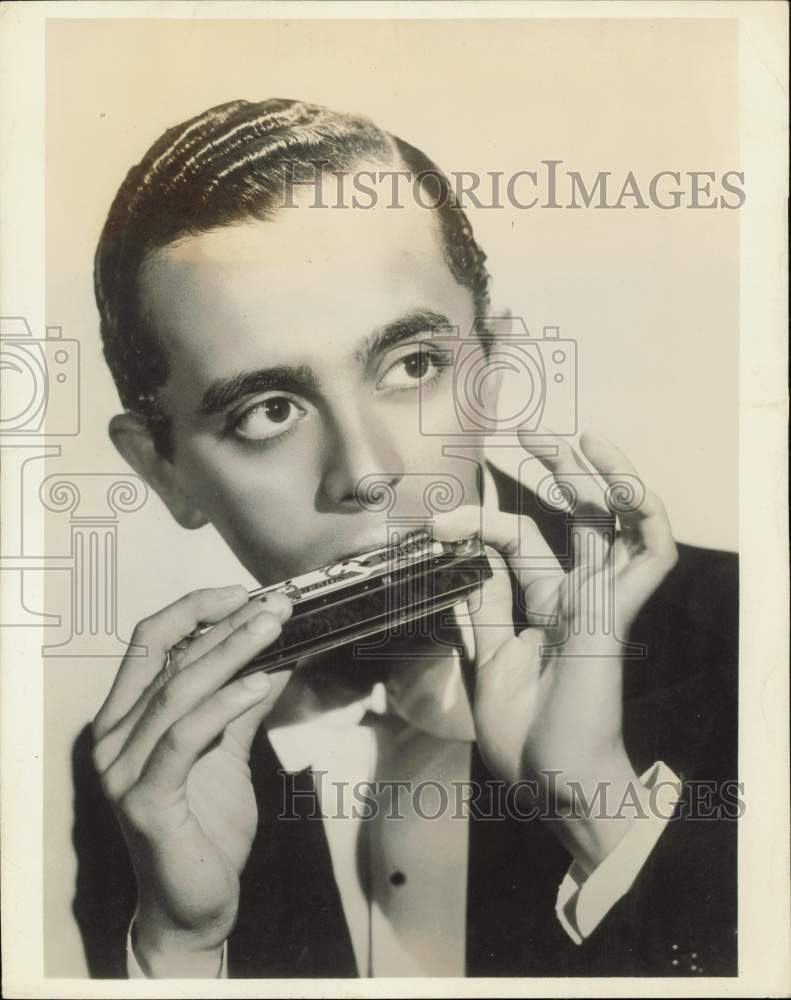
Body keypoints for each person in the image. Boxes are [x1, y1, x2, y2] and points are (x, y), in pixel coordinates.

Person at [71, 98, 738, 978]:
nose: (368, 471)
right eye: (268, 411)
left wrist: (602, 812)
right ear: (163, 470)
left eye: (414, 365)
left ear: (492, 369)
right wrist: (184, 948)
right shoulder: (148, 767)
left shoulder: (747, 646)